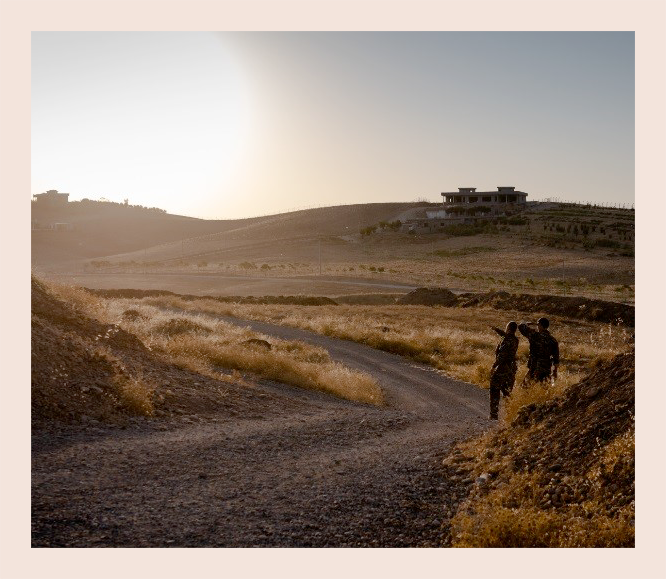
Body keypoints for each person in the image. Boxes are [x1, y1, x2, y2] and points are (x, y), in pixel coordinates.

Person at [489, 321, 519, 420]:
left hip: (503, 367)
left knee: (494, 388)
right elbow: (505, 334)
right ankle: (510, 413)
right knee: (507, 391)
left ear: (508, 328)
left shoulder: (506, 340)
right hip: (511, 368)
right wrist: (496, 329)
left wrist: (494, 366)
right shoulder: (515, 339)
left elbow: (502, 355)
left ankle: (494, 413)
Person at [518, 317, 559, 385]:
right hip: (546, 368)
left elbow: (521, 326)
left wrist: (530, 323)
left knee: (525, 386)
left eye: (538, 325)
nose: (537, 326)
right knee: (543, 387)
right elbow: (556, 359)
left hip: (534, 367)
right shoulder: (553, 340)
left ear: (540, 325)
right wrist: (555, 371)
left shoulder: (535, 335)